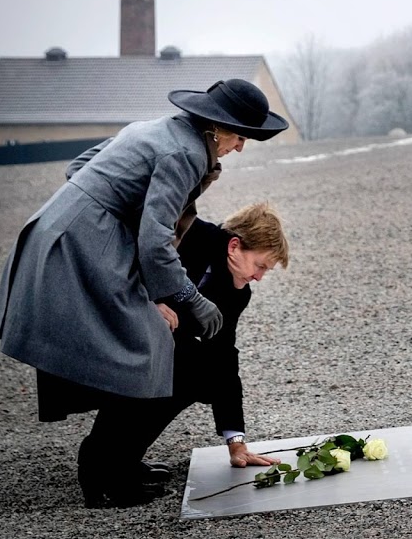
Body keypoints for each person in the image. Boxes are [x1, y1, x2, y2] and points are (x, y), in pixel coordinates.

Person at [0, 79, 288, 507]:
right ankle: (102, 473)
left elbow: (79, 168)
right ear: (216, 127)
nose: (240, 147)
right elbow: (154, 242)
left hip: (60, 228)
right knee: (148, 345)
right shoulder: (185, 153)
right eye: (239, 135)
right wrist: (187, 297)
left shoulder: (155, 130)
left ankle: (120, 460)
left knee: (149, 342)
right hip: (78, 245)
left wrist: (103, 215)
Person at [80, 203, 290, 507]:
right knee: (163, 365)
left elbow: (224, 354)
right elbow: (124, 259)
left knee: (196, 374)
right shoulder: (188, 236)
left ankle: (124, 458)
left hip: (155, 340)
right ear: (235, 247)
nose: (259, 276)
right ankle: (99, 466)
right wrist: (149, 303)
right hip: (107, 315)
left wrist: (236, 441)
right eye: (260, 265)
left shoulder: (237, 291)